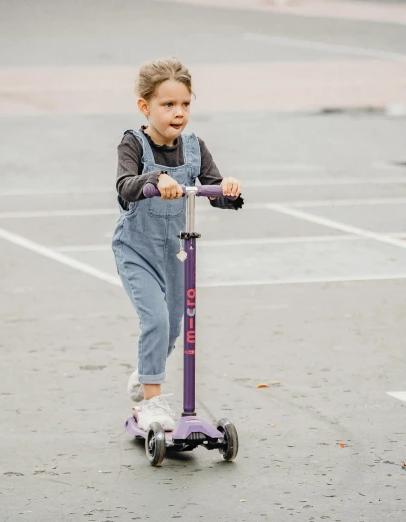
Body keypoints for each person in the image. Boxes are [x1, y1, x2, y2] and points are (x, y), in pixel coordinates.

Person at [112, 57, 243, 431]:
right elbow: (124, 186)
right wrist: (154, 178)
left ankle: (144, 372)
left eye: (185, 104)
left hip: (175, 251)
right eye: (168, 105)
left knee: (173, 325)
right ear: (145, 107)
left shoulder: (194, 146)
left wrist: (228, 189)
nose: (178, 112)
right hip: (137, 249)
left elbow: (216, 192)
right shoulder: (132, 143)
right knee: (154, 319)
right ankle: (151, 404)